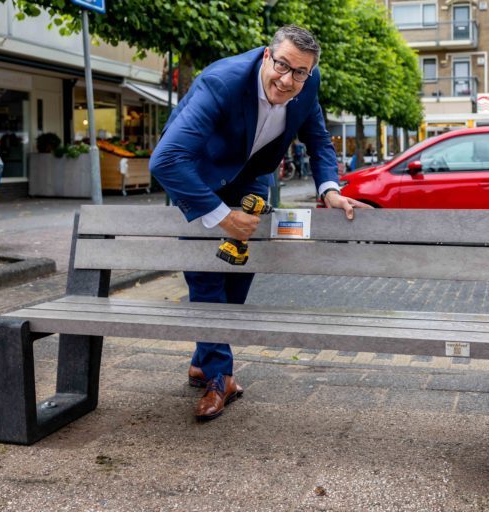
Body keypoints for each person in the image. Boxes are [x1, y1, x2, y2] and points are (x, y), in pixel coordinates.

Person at [149, 25, 370, 422]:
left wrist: (329, 190)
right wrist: (222, 217)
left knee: (238, 277)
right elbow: (165, 161)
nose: (287, 80)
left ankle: (204, 362)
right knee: (205, 280)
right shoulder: (222, 82)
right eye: (282, 66)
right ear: (267, 56)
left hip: (251, 177)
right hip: (198, 175)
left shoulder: (307, 80)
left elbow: (318, 140)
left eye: (299, 72)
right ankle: (221, 379)